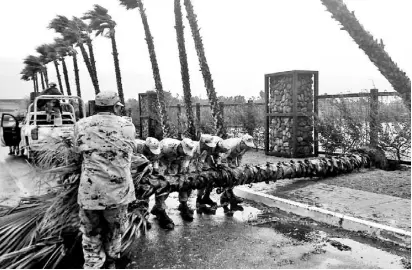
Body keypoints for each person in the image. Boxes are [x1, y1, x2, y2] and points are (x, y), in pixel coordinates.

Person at [74, 91, 136, 269]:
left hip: (90, 193)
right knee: (115, 231)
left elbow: (77, 153)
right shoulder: (127, 126)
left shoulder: (81, 125)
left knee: (91, 232)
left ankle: (93, 264)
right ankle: (111, 263)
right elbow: (129, 152)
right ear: (116, 107)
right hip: (118, 194)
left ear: (96, 106)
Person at [150, 137, 196, 226]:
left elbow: (184, 166)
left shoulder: (188, 151)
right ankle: (160, 210)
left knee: (184, 181)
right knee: (163, 184)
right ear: (180, 147)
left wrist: (183, 176)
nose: (185, 153)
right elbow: (155, 158)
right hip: (162, 159)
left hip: (177, 161)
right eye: (184, 151)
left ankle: (183, 204)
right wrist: (156, 170)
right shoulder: (165, 146)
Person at [219, 134, 256, 214]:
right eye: (246, 146)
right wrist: (226, 168)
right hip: (224, 156)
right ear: (242, 142)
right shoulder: (231, 145)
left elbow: (239, 156)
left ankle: (231, 201)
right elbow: (222, 158)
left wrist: (238, 168)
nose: (248, 148)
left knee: (235, 176)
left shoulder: (245, 148)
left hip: (231, 157)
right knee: (228, 177)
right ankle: (225, 202)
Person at [193, 134, 228, 209]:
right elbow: (197, 162)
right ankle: (198, 200)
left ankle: (206, 197)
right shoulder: (196, 148)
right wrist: (199, 172)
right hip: (197, 159)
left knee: (212, 176)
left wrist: (218, 164)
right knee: (202, 177)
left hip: (207, 157)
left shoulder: (218, 145)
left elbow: (217, 155)